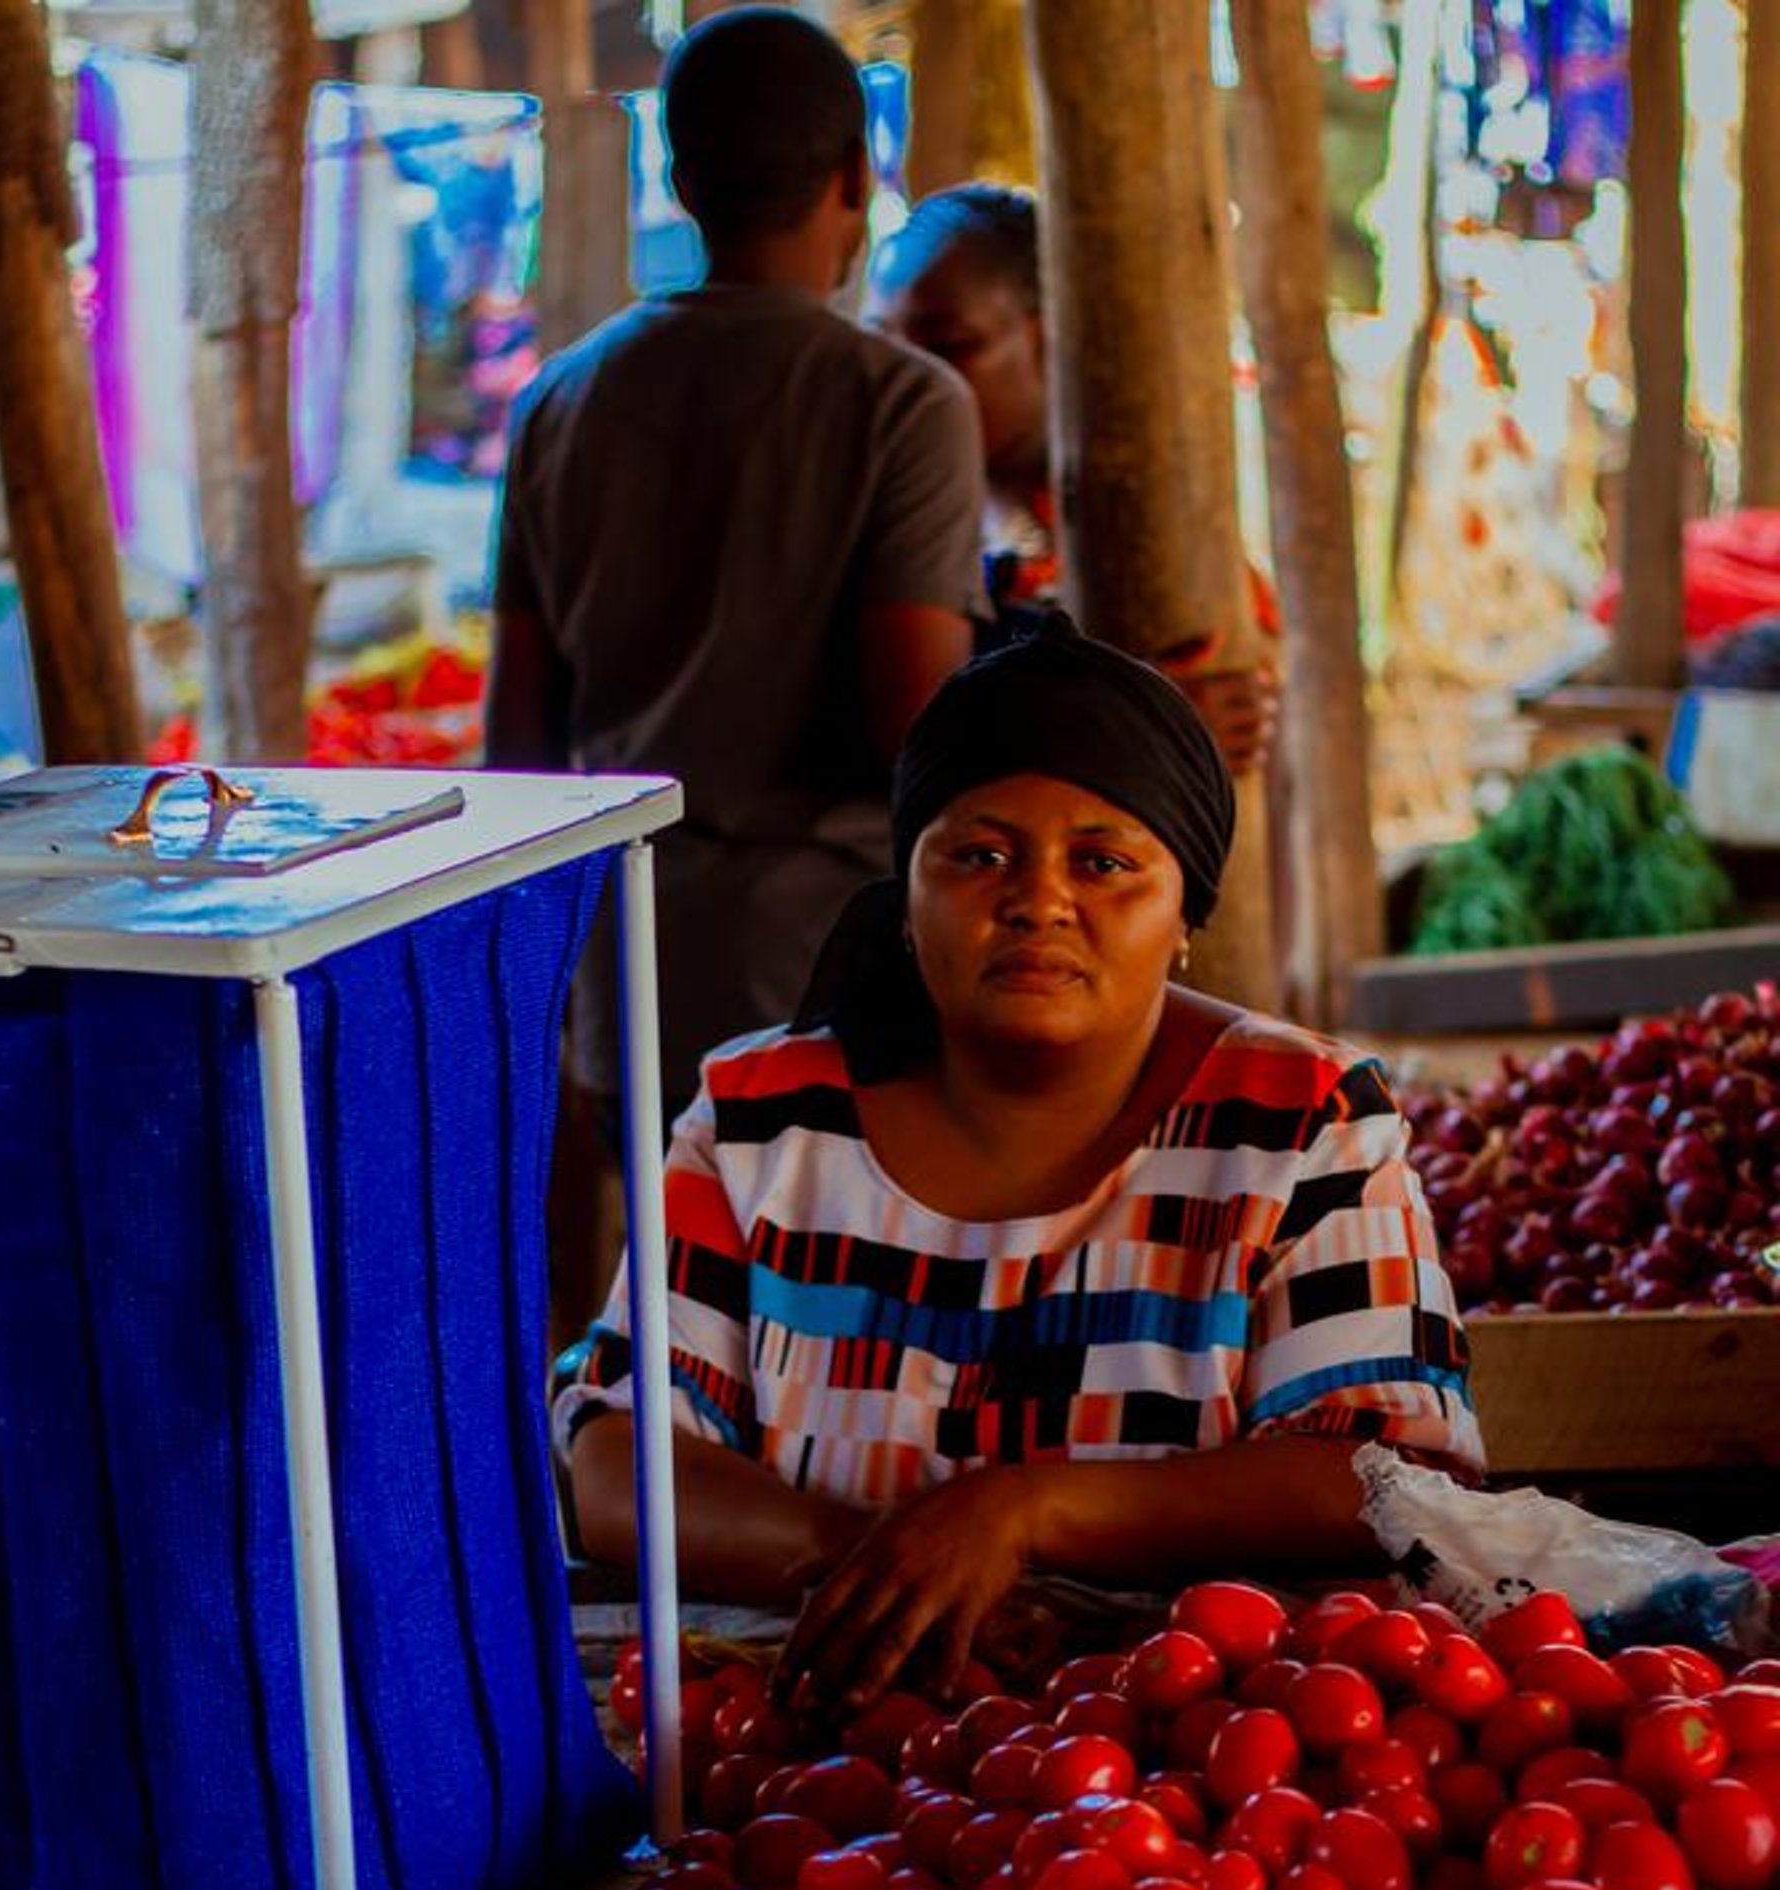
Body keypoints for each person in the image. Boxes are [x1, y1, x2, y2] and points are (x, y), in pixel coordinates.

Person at [557, 618, 1481, 1712]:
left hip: (1193, 1761)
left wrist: (1018, 1515)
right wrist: (892, 1569)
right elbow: (618, 1461)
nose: (1039, 899)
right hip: (826, 1741)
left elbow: (1385, 1479)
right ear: (906, 893)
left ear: (1185, 909)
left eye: (1104, 863)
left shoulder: (1298, 1123)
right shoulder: (764, 1122)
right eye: (980, 855)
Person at [485, 8, 988, 1119]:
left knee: (673, 1281)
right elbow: (921, 727)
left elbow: (517, 744)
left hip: (631, 957)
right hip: (826, 965)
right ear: (858, 175)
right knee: (816, 1283)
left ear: (677, 176)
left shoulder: (558, 401)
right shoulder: (901, 405)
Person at [863, 184, 1279, 776]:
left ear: (1049, 338)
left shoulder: (1142, 545)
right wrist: (1130, 726)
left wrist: (1165, 731)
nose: (908, 386)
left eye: (950, 347)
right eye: (881, 349)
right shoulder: (860, 507)